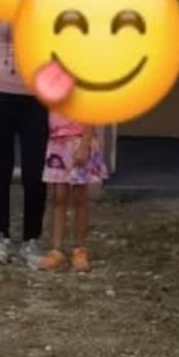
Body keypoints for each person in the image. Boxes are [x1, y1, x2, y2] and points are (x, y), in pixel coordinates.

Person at [0, 16, 49, 266]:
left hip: (37, 100)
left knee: (35, 173)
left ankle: (32, 240)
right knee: (0, 169)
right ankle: (0, 238)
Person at [39, 112, 108, 272]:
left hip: (79, 142)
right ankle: (56, 250)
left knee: (80, 198)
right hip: (57, 143)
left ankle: (80, 249)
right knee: (59, 197)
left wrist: (84, 144)